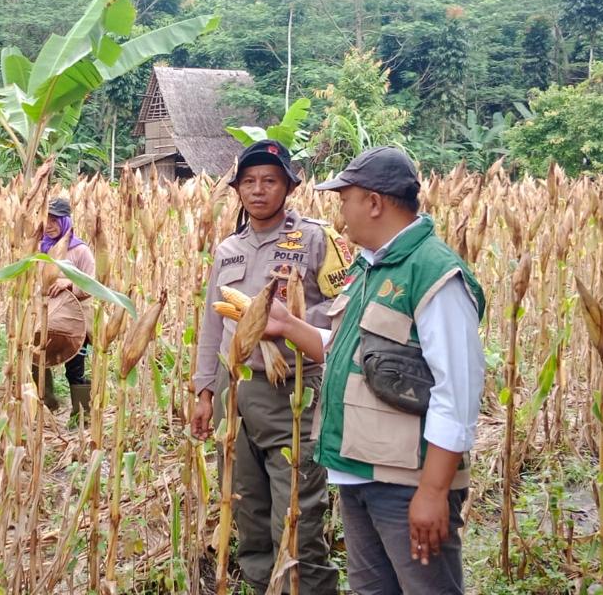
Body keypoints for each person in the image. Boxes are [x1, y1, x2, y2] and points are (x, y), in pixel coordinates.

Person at [264, 146, 486, 595]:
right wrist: (287, 325)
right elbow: (348, 353)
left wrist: (433, 491)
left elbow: (457, 392)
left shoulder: (434, 274)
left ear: (374, 202)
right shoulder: (369, 267)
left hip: (406, 481)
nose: (341, 214)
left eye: (345, 199)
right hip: (358, 471)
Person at [191, 140, 350, 594]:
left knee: (297, 517)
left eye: (269, 181)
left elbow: (344, 315)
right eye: (248, 182)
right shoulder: (228, 249)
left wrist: (289, 324)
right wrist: (205, 391)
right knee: (248, 512)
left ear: (289, 187)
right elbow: (212, 326)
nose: (258, 190)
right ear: (237, 190)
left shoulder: (317, 239)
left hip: (293, 395)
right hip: (237, 395)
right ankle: (262, 585)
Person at [33, 196, 96, 423]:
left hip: (75, 321)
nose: (49, 225)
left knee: (74, 369)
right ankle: (47, 405)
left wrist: (70, 283)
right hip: (47, 317)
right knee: (36, 360)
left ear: (65, 221)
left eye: (54, 220)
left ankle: (81, 416)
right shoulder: (41, 248)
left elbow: (92, 285)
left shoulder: (80, 251)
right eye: (46, 220)